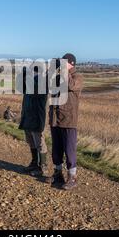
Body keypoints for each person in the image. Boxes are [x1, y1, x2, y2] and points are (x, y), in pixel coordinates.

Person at [48, 53, 83, 190]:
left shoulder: (77, 77)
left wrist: (64, 71)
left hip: (68, 119)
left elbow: (71, 85)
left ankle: (72, 177)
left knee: (69, 149)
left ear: (71, 64)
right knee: (56, 149)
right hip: (55, 119)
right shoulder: (58, 76)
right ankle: (58, 174)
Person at [19, 66, 48, 177]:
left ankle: (42, 166)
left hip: (36, 117)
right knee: (31, 141)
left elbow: (35, 91)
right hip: (28, 116)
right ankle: (34, 163)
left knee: (39, 142)